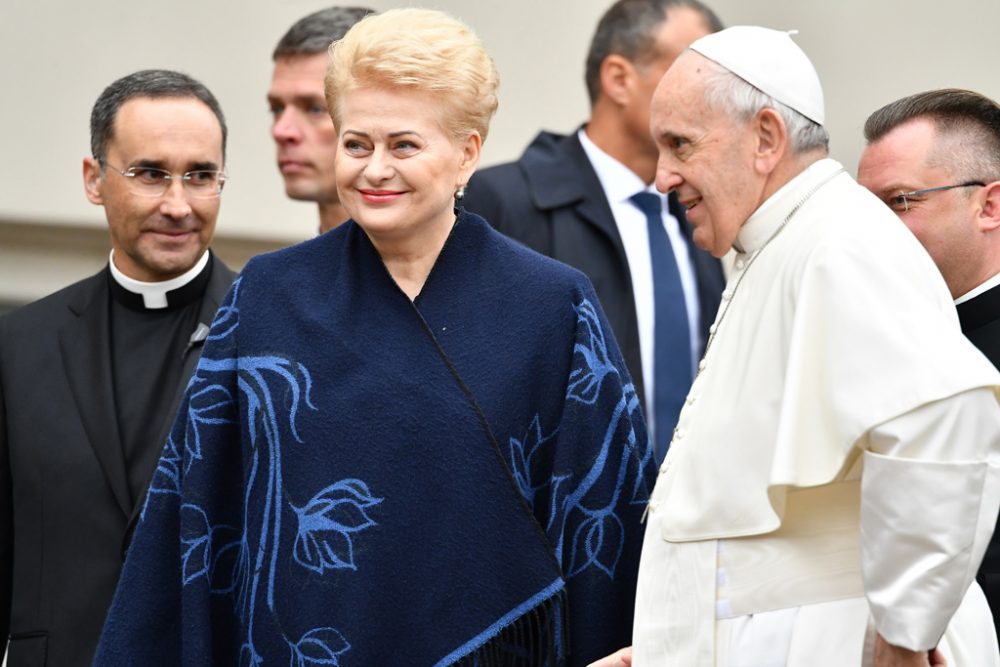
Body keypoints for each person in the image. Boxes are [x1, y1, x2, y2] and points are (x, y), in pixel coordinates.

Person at [93, 9, 653, 666]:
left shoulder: (552, 305)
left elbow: (608, 520)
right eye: (356, 144)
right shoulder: (270, 296)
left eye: (404, 146)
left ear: (467, 152)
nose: (375, 169)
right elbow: (191, 515)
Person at [593, 26, 1000, 667]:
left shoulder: (840, 241)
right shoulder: (786, 243)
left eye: (679, 145)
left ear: (765, 138)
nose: (661, 177)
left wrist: (904, 637)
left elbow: (944, 419)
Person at [0, 69, 235, 667]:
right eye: (150, 174)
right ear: (93, 180)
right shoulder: (19, 344)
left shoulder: (272, 336)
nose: (178, 204)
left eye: (200, 176)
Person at [463, 0, 725, 463]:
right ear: (619, 78)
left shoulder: (699, 212)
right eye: (696, 70)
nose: (718, 97)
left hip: (685, 521)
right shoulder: (501, 201)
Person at [858, 88, 1000, 642]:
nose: (872, 229)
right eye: (863, 207)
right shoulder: (869, 338)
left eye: (900, 201)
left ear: (989, 206)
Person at [268, 6, 373, 234]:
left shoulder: (464, 259)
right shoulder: (277, 268)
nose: (281, 130)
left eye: (315, 109)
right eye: (277, 108)